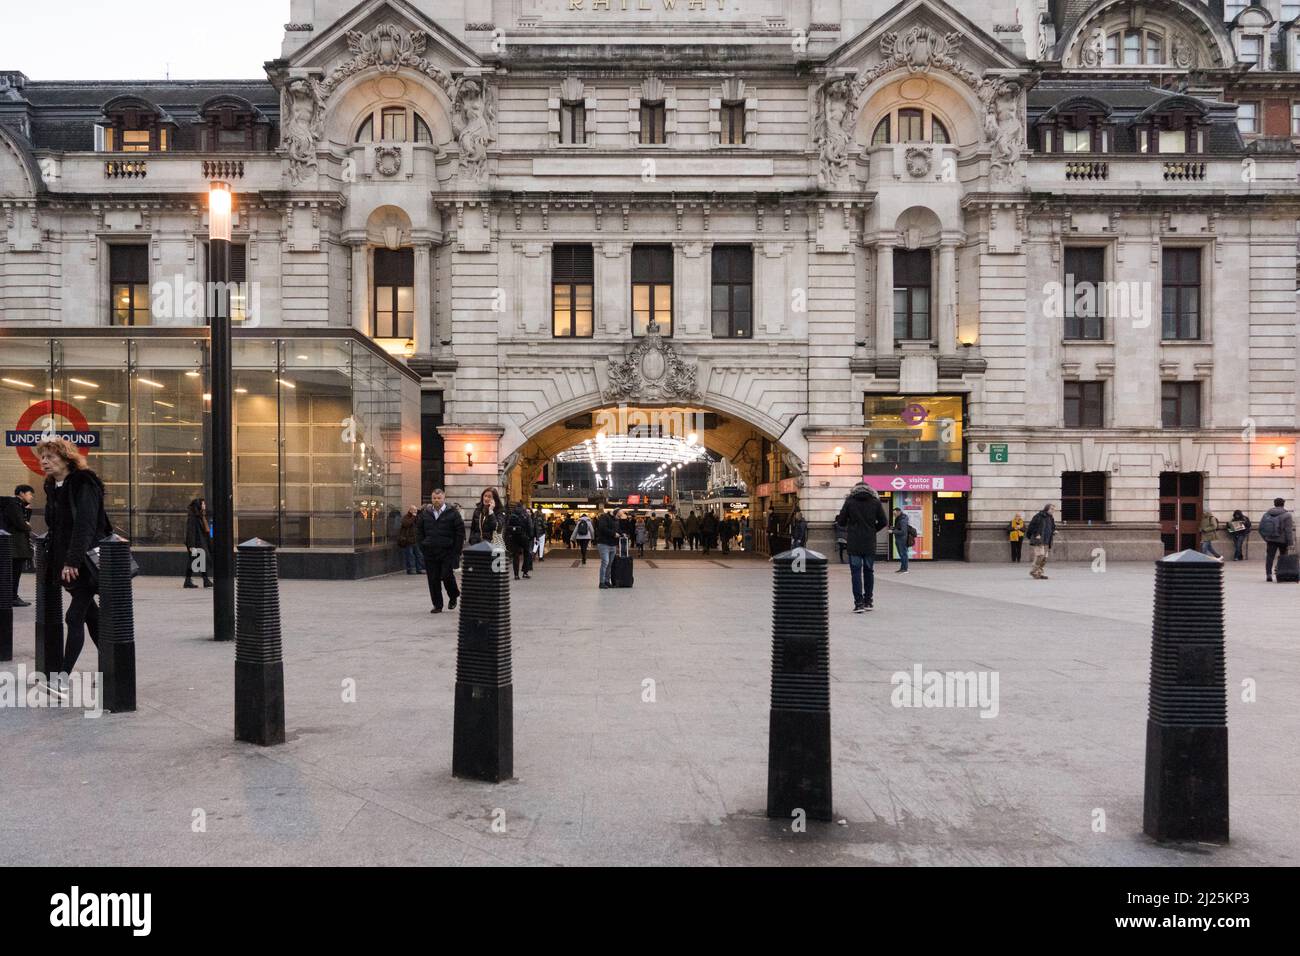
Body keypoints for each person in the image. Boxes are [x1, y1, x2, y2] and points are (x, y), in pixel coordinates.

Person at [37, 438, 110, 687]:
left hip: (83, 562)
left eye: (50, 456)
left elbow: (86, 525)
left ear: (66, 458)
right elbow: (56, 525)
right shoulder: (52, 485)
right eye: (42, 457)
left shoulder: (83, 482)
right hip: (65, 562)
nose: (44, 461)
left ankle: (62, 677)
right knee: (92, 617)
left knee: (74, 616)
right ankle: (110, 668)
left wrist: (72, 561)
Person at [836, 482, 888, 612]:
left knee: (856, 573)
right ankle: (868, 601)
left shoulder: (850, 501)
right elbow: (884, 522)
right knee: (869, 571)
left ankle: (858, 603)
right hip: (869, 542)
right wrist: (872, 530)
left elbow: (841, 522)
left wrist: (851, 525)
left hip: (854, 542)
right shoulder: (875, 502)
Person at [416, 488, 464, 614]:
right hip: (430, 551)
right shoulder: (425, 513)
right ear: (431, 499)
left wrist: (457, 552)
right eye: (434, 498)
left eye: (439, 498)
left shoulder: (453, 513)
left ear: (444, 498)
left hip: (447, 551)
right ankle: (437, 605)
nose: (436, 500)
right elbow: (419, 532)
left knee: (446, 576)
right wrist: (423, 546)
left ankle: (453, 595)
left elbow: (460, 533)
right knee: (433, 579)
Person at [0, 483, 35, 606]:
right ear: (21, 493)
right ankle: (12, 598)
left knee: (13, 573)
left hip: (16, 547)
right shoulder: (14, 505)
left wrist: (27, 511)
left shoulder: (19, 506)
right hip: (14, 547)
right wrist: (27, 526)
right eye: (30, 494)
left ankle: (11, 597)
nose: (31, 497)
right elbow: (21, 524)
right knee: (13, 573)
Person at [1258, 497, 1296, 582]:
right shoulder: (1287, 515)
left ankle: (1268, 574)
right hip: (1283, 541)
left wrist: (1266, 538)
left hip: (1271, 540)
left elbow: (1260, 528)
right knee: (1283, 557)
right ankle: (1281, 573)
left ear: (1274, 504)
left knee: (1270, 557)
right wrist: (1291, 543)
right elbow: (1288, 530)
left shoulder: (1267, 514)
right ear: (1283, 504)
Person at [183, 497, 213, 588]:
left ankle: (205, 580)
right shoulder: (193, 517)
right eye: (203, 504)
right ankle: (188, 581)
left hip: (201, 542)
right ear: (199, 505)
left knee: (201, 560)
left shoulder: (200, 516)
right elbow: (190, 531)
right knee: (193, 561)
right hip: (196, 544)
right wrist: (191, 546)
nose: (204, 505)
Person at [1026, 504, 1056, 580]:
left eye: (1054, 509)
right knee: (1040, 556)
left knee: (1044, 558)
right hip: (1039, 540)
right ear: (1047, 509)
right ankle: (1034, 572)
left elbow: (1051, 527)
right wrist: (1036, 534)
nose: (1053, 510)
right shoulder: (1039, 516)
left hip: (1047, 540)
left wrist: (1053, 531)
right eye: (1051, 509)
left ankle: (1039, 573)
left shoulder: (1051, 518)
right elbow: (1031, 527)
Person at [506, 501, 534, 580]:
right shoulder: (525, 514)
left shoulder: (512, 514)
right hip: (524, 537)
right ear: (523, 506)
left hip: (514, 537)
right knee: (527, 554)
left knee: (516, 556)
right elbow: (530, 526)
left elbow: (507, 526)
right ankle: (525, 572)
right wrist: (530, 536)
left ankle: (516, 575)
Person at [397, 506, 424, 575]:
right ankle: (410, 569)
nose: (415, 512)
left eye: (416, 510)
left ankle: (419, 569)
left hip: (415, 540)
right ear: (410, 510)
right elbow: (406, 524)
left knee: (419, 555)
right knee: (410, 556)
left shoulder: (416, 517)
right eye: (414, 510)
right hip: (408, 540)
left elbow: (419, 525)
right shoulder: (406, 517)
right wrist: (413, 517)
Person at [595, 508, 618, 588]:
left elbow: (617, 529)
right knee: (605, 562)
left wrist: (622, 533)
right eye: (619, 515)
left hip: (613, 544)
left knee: (610, 564)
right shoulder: (604, 517)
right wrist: (614, 534)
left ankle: (607, 581)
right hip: (603, 543)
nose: (619, 517)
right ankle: (601, 582)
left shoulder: (615, 520)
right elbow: (602, 528)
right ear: (615, 513)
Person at [891, 507, 910, 573]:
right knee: (901, 554)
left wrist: (893, 531)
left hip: (902, 539)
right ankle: (902, 568)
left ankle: (905, 569)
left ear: (898, 512)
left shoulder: (903, 519)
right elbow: (898, 528)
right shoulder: (898, 518)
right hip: (898, 538)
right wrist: (893, 528)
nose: (894, 515)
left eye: (894, 513)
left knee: (903, 554)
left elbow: (903, 531)